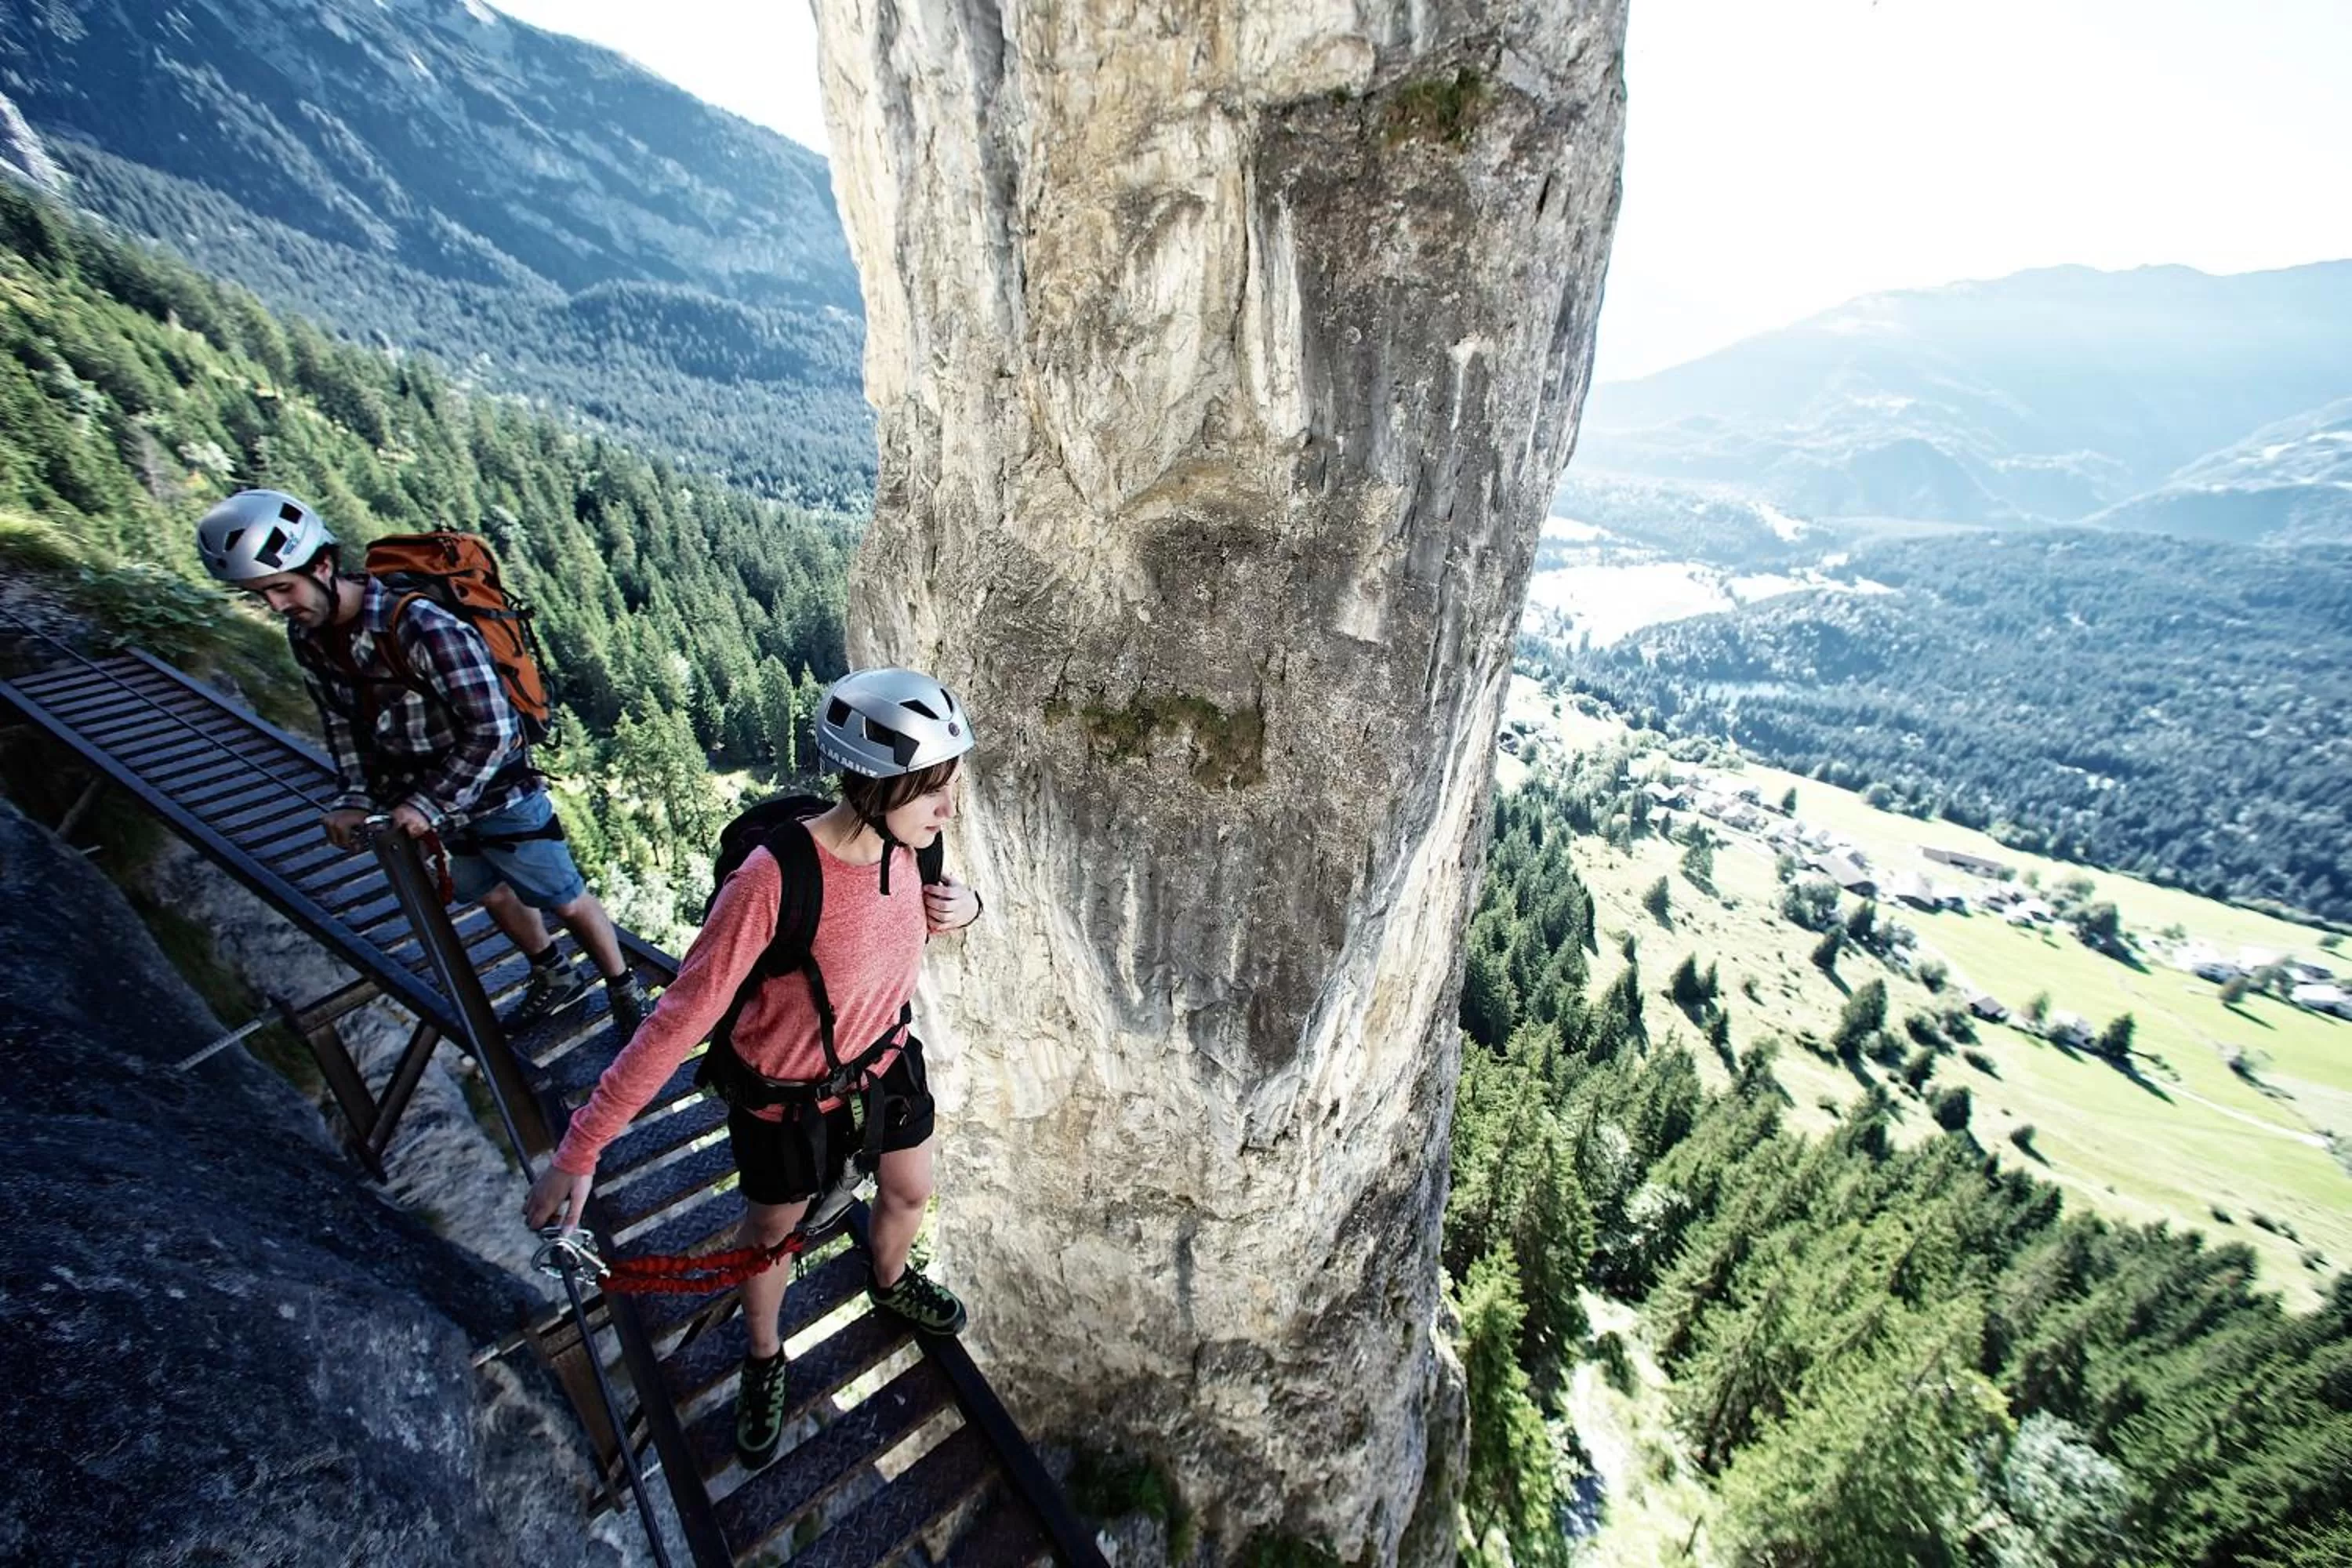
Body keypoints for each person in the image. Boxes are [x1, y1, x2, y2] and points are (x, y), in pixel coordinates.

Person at [524, 667, 983, 1472]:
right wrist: (581, 1146)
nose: (951, 807)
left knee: (910, 1190)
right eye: (933, 789)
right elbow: (680, 1020)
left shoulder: (917, 842)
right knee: (772, 1238)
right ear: (874, 784)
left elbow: (900, 931)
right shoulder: (773, 880)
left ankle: (889, 1274)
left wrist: (968, 906)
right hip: (786, 1095)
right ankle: (765, 1356)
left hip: (885, 1062)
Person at [195, 488, 644, 1036]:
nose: (277, 606)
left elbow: (496, 729)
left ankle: (626, 991)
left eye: (282, 588)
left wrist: (425, 803)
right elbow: (343, 724)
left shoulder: (421, 626)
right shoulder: (311, 639)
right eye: (261, 594)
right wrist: (355, 798)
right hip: (427, 800)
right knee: (488, 889)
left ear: (324, 565)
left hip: (497, 792)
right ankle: (554, 975)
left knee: (563, 896)